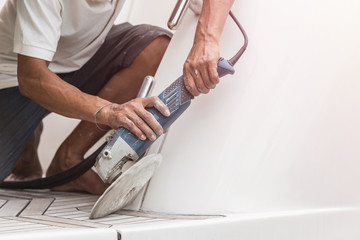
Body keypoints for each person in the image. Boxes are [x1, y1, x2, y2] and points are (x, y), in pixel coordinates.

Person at [0, 0, 234, 194]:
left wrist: (206, 39)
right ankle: (26, 140)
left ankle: (68, 160)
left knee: (154, 47)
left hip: (80, 58)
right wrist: (109, 111)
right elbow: (31, 79)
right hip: (13, 79)